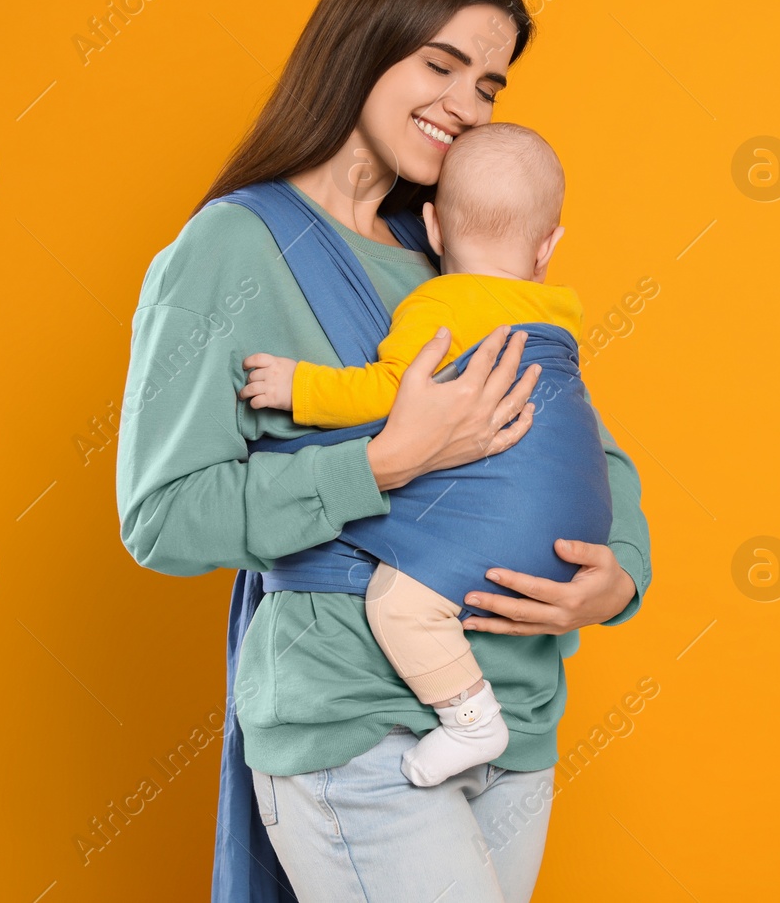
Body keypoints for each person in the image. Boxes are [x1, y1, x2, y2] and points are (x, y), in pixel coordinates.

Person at [115, 0, 652, 903]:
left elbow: (592, 454)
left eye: (488, 85)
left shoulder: (451, 251)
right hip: (353, 718)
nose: (463, 105)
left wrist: (617, 579)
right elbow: (163, 517)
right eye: (439, 63)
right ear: (361, 43)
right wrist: (381, 462)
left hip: (518, 716)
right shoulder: (232, 252)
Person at [237, 122, 607, 789]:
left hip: (491, 531)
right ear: (549, 246)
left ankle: (469, 717)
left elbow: (387, 393)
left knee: (399, 603)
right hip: (575, 534)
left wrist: (298, 386)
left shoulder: (438, 302)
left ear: (432, 229)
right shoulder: (558, 311)